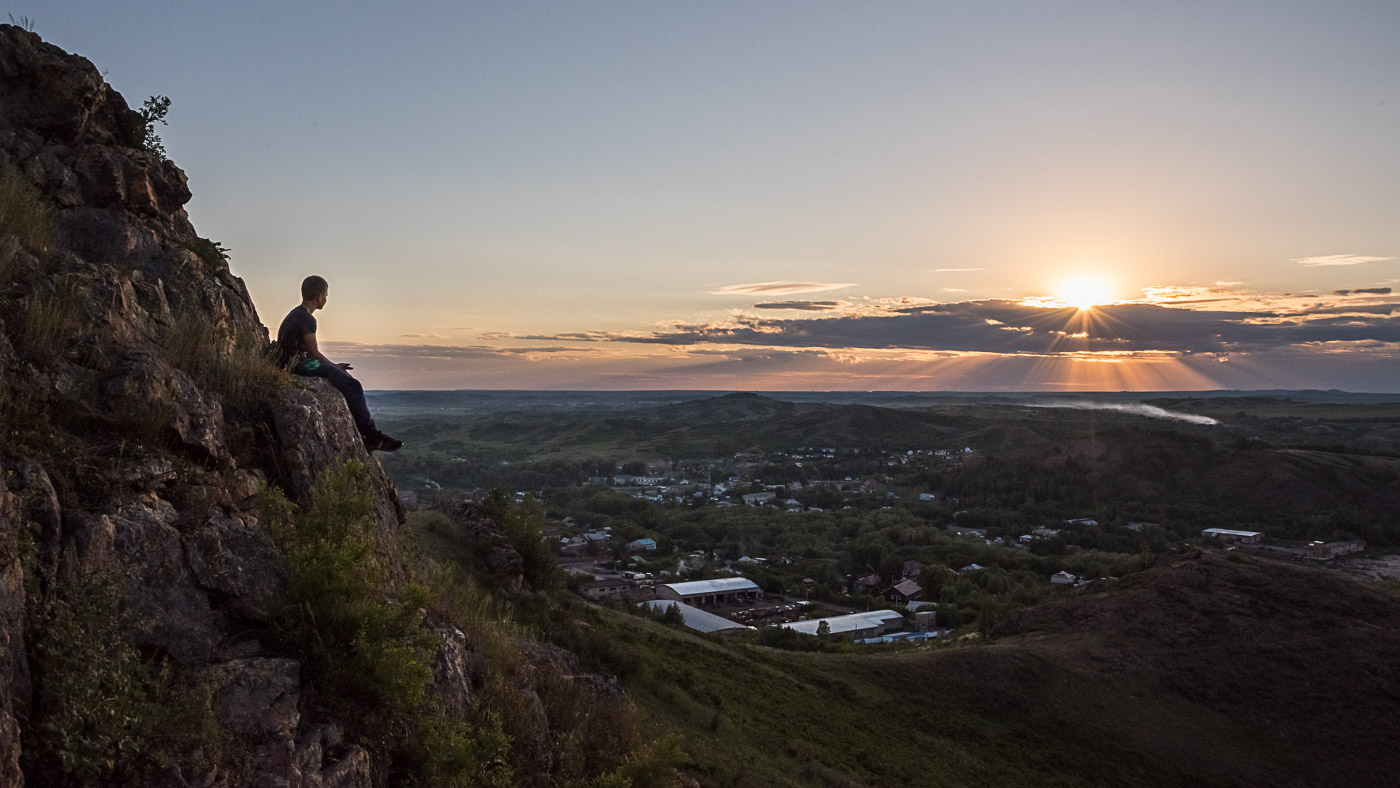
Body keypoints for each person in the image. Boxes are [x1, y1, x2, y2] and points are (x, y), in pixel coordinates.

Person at [276, 275, 403, 452]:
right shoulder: (307, 318)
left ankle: (366, 432)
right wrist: (334, 367)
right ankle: (371, 435)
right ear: (320, 296)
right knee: (353, 386)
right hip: (299, 366)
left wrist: (334, 367)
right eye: (326, 295)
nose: (326, 299)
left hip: (293, 363)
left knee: (344, 377)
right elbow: (314, 353)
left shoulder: (296, 314)